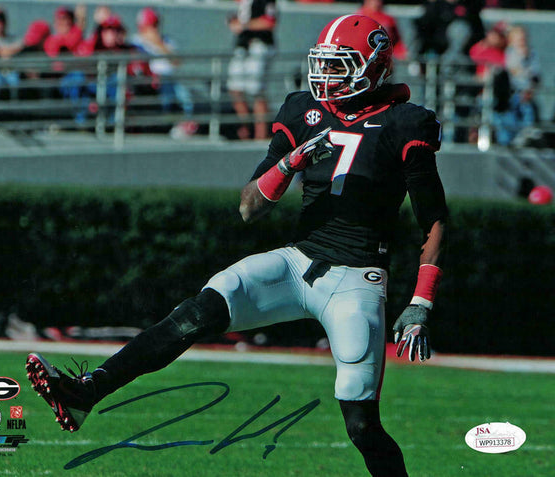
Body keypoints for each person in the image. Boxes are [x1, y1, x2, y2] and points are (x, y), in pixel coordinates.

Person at [26, 15, 448, 477]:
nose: (326, 76)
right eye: (324, 65)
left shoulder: (407, 123)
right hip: (297, 262)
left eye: (340, 66)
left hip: (357, 280)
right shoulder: (303, 110)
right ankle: (87, 392)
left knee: (362, 426)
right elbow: (249, 208)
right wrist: (289, 164)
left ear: (373, 67)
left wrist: (421, 299)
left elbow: (434, 219)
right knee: (198, 310)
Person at [130, 7, 197, 137]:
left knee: (182, 90)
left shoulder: (166, 41)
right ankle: (163, 124)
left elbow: (176, 61)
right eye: (150, 25)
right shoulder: (135, 41)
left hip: (169, 79)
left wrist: (158, 43)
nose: (154, 29)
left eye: (155, 25)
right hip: (148, 80)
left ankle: (185, 123)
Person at [227, 0, 277, 140]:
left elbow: (269, 21)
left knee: (257, 91)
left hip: (259, 45)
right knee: (234, 88)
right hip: (243, 47)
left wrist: (244, 25)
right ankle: (246, 128)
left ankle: (260, 135)